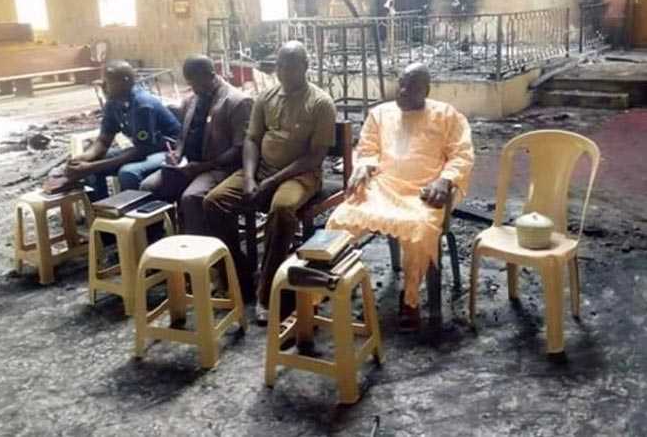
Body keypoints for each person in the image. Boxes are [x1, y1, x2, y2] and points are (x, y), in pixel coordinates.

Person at [326, 62, 474, 332]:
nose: (403, 91)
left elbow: (461, 155)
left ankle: (410, 300)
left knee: (419, 230)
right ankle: (324, 288)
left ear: (425, 90)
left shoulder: (447, 115)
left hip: (422, 192)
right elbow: (367, 147)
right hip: (382, 187)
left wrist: (445, 179)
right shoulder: (380, 113)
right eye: (401, 84)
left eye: (411, 87)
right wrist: (363, 166)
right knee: (340, 218)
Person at [205, 41, 337, 323]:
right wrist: (251, 177)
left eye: (290, 65)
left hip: (301, 176)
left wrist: (271, 182)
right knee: (213, 202)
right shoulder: (266, 97)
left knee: (282, 210)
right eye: (279, 65)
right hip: (261, 170)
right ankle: (239, 275)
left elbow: (314, 157)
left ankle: (268, 291)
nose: (283, 71)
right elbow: (252, 139)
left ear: (305, 66)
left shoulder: (321, 103)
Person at [140, 55, 252, 235]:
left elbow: (239, 149)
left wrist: (202, 166)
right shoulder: (191, 100)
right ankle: (161, 243)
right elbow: (182, 137)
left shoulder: (236, 102)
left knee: (191, 198)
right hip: (188, 165)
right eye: (191, 84)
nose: (195, 89)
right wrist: (177, 153)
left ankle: (198, 254)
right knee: (148, 187)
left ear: (211, 75)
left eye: (198, 84)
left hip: (219, 167)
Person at [65, 60, 181, 200]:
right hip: (144, 149)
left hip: (168, 150)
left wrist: (92, 166)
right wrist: (84, 158)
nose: (103, 85)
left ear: (125, 82)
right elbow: (103, 140)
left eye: (107, 81)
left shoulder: (142, 105)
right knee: (88, 168)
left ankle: (134, 217)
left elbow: (141, 151)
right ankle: (102, 212)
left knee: (128, 173)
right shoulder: (113, 102)